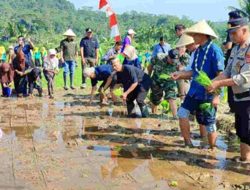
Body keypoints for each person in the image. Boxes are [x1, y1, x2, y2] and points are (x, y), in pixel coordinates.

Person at [171, 20, 224, 149]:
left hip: (208, 92)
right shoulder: (198, 51)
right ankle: (188, 143)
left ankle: (212, 149)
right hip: (194, 91)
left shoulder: (214, 50)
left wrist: (217, 96)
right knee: (182, 113)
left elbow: (221, 74)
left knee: (209, 123)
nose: (193, 37)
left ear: (203, 35)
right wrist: (180, 74)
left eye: (195, 35)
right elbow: (194, 72)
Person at [206, 17, 250, 162]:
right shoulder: (236, 48)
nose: (231, 36)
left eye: (234, 33)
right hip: (239, 97)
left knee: (248, 129)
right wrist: (212, 82)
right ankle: (244, 158)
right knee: (242, 128)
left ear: (244, 29)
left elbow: (244, 77)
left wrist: (219, 84)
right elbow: (227, 71)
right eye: (230, 33)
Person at [148, 50, 179, 119]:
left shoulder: (177, 62)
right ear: (168, 56)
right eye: (172, 60)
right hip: (157, 80)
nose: (173, 62)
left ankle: (175, 117)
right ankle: (153, 115)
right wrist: (148, 77)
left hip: (169, 81)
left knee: (172, 97)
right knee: (155, 99)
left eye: (175, 60)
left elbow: (180, 72)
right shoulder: (159, 57)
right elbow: (150, 67)